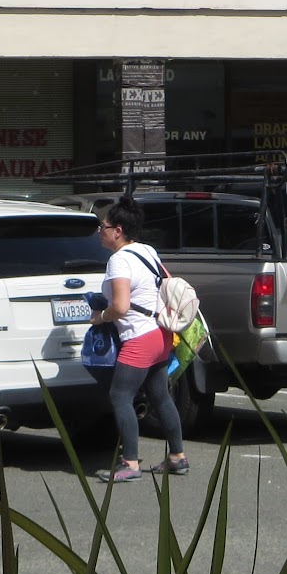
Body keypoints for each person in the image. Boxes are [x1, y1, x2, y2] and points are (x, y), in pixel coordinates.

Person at [91, 200, 188, 483]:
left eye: (103, 227)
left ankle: (130, 463)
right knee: (160, 395)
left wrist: (101, 317)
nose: (100, 232)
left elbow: (121, 307)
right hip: (161, 334)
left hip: (139, 337)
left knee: (120, 396)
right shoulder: (147, 250)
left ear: (118, 230)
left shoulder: (119, 260)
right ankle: (177, 456)